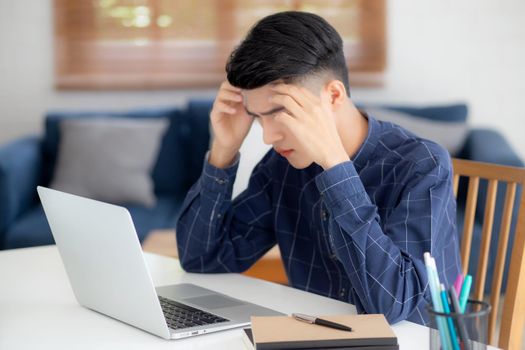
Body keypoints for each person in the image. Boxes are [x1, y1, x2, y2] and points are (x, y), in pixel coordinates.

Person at [176, 11, 461, 325]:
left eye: (280, 112)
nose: (269, 137)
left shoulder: (421, 165)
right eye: (258, 117)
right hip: (318, 337)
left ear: (334, 95)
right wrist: (223, 150)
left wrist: (335, 167)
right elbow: (201, 258)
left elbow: (391, 305)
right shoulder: (282, 167)